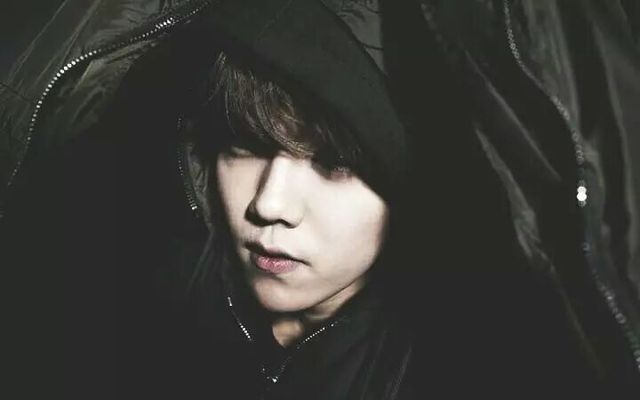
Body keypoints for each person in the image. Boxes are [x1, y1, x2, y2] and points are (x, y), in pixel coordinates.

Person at [1, 0, 639, 399]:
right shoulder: (134, 284)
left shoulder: (458, 365)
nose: (271, 204)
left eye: (336, 165)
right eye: (245, 146)